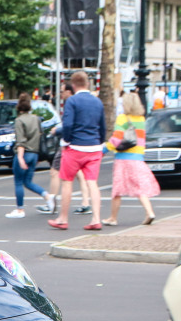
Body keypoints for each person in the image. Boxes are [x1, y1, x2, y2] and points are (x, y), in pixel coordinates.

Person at [48, 70, 106, 231]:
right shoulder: (97, 102)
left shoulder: (72, 101)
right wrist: (99, 142)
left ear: (73, 85)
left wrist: (66, 140)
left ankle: (63, 218)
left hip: (75, 147)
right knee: (92, 183)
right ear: (88, 83)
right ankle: (96, 218)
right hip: (94, 147)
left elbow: (67, 124)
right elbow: (103, 126)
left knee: (67, 183)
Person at [101, 92, 158, 226]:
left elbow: (116, 139)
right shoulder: (141, 120)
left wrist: (104, 149)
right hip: (138, 157)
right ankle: (149, 212)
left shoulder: (123, 119)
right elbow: (141, 140)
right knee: (140, 187)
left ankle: (113, 218)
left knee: (117, 189)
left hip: (123, 158)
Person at [38, 82, 89, 215]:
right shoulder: (82, 103)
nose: (61, 94)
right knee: (80, 174)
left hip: (68, 143)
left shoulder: (70, 103)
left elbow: (69, 125)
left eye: (62, 91)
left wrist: (57, 131)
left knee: (55, 171)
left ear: (69, 92)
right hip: (80, 143)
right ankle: (86, 203)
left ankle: (51, 202)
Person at [6, 94, 52, 218]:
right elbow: (39, 135)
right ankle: (47, 197)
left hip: (24, 153)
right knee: (28, 182)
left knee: (19, 182)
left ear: (18, 106)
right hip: (34, 154)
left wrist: (20, 158)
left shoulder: (19, 120)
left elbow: (21, 141)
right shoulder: (36, 119)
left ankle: (20, 210)